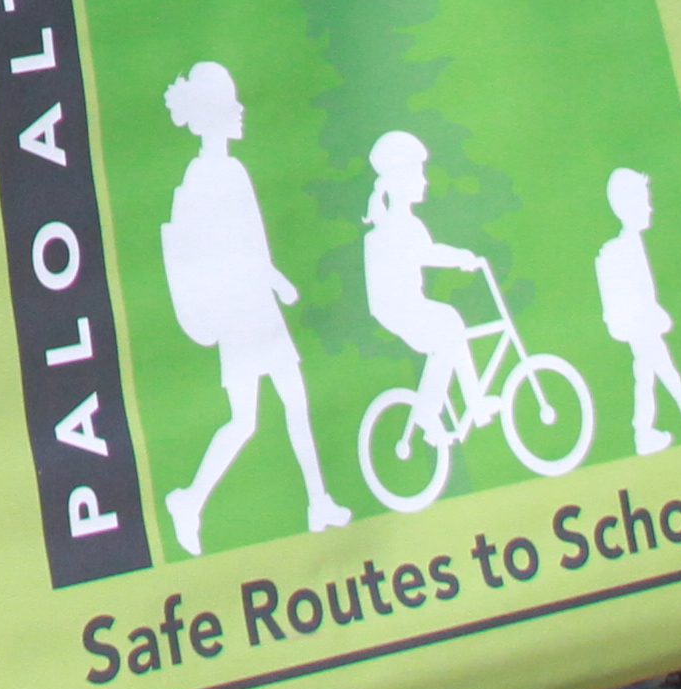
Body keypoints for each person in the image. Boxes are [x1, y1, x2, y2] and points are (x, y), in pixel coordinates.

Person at [153, 63, 344, 555]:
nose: (240, 114)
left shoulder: (230, 169)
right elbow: (220, 249)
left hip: (259, 306)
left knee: (294, 405)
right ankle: (190, 500)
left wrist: (275, 281)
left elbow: (251, 240)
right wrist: (260, 282)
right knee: (246, 420)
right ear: (213, 116)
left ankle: (318, 503)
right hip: (241, 314)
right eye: (231, 106)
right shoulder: (204, 175)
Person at [359, 130, 490, 449]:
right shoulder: (396, 227)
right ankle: (441, 410)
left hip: (403, 306)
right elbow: (425, 254)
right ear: (402, 179)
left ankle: (471, 403)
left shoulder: (401, 225)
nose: (424, 181)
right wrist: (461, 258)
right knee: (449, 323)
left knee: (449, 331)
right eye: (419, 174)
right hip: (399, 308)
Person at [595, 166, 681, 455]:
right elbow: (632, 293)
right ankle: (678, 409)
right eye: (643, 201)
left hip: (640, 320)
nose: (649, 207)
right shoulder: (622, 249)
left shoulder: (633, 244)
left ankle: (651, 427)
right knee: (651, 363)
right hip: (634, 321)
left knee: (647, 368)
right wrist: (652, 313)